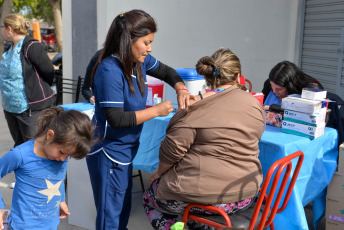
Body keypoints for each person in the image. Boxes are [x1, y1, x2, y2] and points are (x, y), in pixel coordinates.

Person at [86, 9, 190, 230]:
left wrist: (180, 87)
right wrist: (156, 111)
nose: (150, 48)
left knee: (122, 212)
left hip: (125, 150)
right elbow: (116, 119)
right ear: (128, 40)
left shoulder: (139, 61)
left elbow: (167, 72)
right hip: (108, 152)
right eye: (146, 42)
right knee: (110, 219)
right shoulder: (109, 70)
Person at [143, 48, 266, 230]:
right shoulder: (255, 105)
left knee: (150, 199)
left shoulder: (193, 108)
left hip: (205, 199)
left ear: (207, 78)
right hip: (246, 194)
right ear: (238, 76)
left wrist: (158, 173)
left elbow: (171, 152)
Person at [0, 107, 94, 230]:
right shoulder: (20, 155)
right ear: (50, 135)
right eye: (62, 152)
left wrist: (61, 201)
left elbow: (57, 179)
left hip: (50, 225)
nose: (63, 159)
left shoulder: (60, 157)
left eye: (68, 156)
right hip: (22, 226)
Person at [0, 13, 55, 148]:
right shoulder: (10, 47)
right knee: (20, 147)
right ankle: (23, 170)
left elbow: (48, 71)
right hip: (11, 108)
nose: (1, 30)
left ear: (9, 29)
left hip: (30, 110)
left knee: (34, 148)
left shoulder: (32, 46)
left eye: (2, 27)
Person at [262, 60, 344, 145]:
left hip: (295, 136)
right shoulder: (269, 84)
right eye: (272, 87)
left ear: (290, 86)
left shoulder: (309, 90)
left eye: (279, 89)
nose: (274, 91)